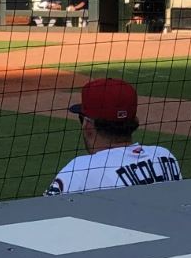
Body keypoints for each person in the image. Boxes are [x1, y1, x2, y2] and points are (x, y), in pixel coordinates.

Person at [45, 79, 182, 195]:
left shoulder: (80, 169)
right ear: (133, 121)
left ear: (87, 124)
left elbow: (47, 216)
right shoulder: (164, 157)